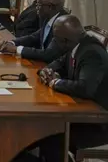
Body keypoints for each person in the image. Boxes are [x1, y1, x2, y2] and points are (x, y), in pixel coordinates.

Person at [35, 15, 108, 161]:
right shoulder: (76, 45)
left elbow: (85, 88)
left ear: (64, 41)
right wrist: (46, 71)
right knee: (43, 130)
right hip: (83, 111)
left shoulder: (91, 53)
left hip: (97, 123)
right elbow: (57, 64)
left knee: (50, 136)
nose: (54, 42)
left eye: (56, 39)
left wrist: (55, 82)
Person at [0, 0, 66, 63]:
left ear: (50, 7)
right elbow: (33, 37)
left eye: (39, 5)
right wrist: (12, 42)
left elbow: (48, 54)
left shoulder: (62, 25)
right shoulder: (48, 17)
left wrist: (16, 49)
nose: (36, 8)